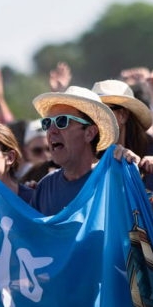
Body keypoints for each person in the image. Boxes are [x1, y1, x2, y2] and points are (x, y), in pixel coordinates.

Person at [30, 86, 119, 216]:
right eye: (47, 123)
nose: (51, 131)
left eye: (62, 121)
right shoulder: (45, 186)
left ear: (89, 133)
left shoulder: (114, 182)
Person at [93, 80, 153, 196]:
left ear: (123, 115)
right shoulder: (85, 160)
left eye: (103, 111)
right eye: (91, 113)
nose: (96, 119)